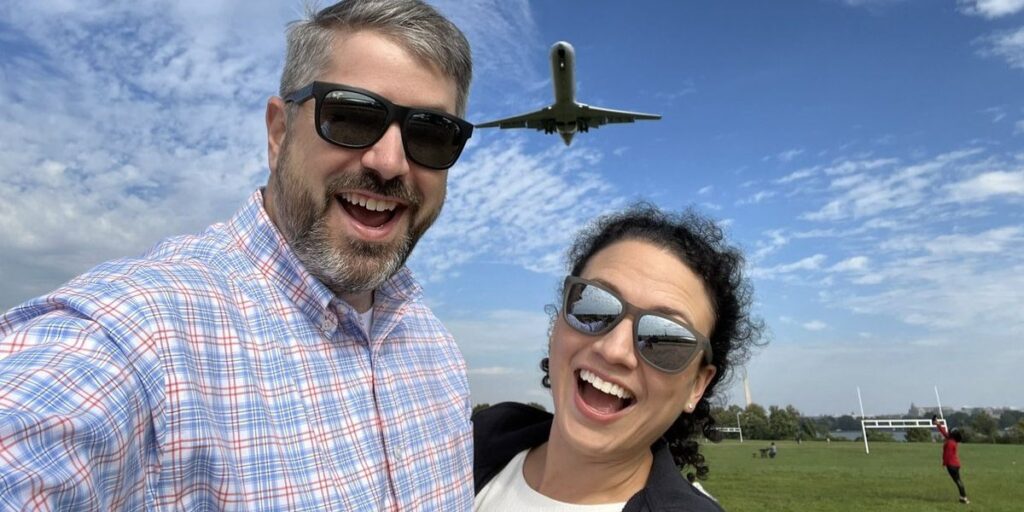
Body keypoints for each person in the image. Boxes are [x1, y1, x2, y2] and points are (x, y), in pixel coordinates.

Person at [0, 0, 475, 509]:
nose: (390, 162)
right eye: (352, 117)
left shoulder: (435, 348)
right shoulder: (141, 334)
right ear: (278, 133)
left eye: (431, 134)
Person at [473, 205, 763, 511]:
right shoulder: (476, 437)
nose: (614, 350)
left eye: (666, 337)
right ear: (557, 323)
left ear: (697, 386)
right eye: (593, 306)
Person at [933, 415, 970, 504]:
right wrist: (937, 423)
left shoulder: (950, 443)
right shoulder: (952, 440)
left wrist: (944, 463)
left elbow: (947, 455)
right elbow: (944, 432)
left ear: (952, 435)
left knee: (958, 481)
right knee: (958, 480)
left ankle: (964, 498)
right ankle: (962, 497)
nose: (948, 432)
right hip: (955, 464)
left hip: (952, 465)